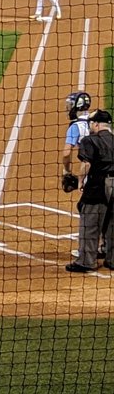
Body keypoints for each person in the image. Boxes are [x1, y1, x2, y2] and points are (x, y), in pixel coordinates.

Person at [65, 108, 114, 273]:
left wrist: (80, 181)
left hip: (99, 185)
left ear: (97, 124)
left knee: (90, 222)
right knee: (112, 222)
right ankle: (112, 259)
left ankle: (87, 261)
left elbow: (86, 164)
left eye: (91, 123)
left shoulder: (90, 140)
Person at [61, 91, 105, 261]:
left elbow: (66, 153)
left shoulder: (75, 126)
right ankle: (106, 246)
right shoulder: (98, 122)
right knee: (106, 210)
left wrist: (66, 171)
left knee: (87, 210)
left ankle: (87, 252)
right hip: (108, 170)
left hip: (91, 174)